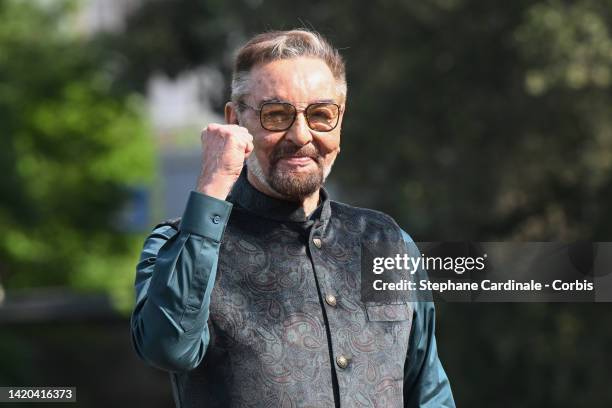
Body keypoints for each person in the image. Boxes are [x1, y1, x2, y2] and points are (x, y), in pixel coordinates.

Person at [131, 29, 455, 408]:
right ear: (236, 120)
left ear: (340, 122)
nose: (301, 135)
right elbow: (168, 349)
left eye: (320, 115)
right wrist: (212, 185)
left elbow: (429, 392)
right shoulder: (178, 242)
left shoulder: (387, 241)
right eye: (277, 115)